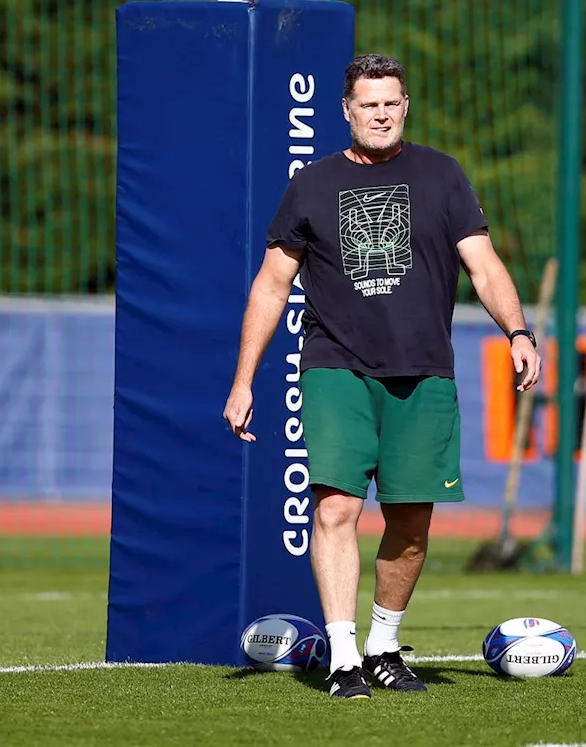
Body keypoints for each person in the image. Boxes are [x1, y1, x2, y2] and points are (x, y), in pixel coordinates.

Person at [221, 53, 542, 699]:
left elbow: (483, 265)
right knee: (336, 504)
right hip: (336, 364)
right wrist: (243, 379)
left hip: (424, 370)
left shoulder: (442, 175)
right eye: (368, 104)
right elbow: (271, 285)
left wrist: (519, 330)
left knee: (411, 522)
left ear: (406, 106)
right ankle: (343, 656)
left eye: (391, 102)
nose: (381, 113)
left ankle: (384, 644)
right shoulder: (310, 184)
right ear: (346, 110)